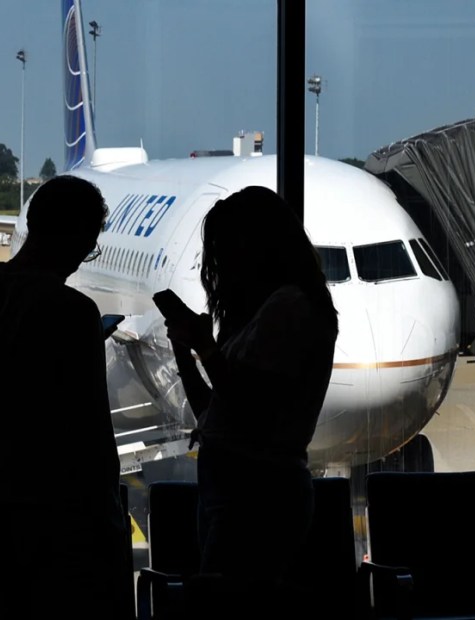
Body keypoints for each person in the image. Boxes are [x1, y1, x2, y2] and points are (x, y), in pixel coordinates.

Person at [0, 175, 130, 618]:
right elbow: (92, 436)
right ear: (76, 235)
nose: (86, 257)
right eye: (89, 243)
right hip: (59, 533)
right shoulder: (71, 311)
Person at [159, 185, 339, 617]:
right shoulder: (266, 310)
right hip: (237, 490)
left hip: (256, 494)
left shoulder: (290, 307)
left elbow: (249, 408)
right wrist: (185, 350)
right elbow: (215, 413)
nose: (220, 263)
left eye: (228, 248)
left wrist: (206, 348)